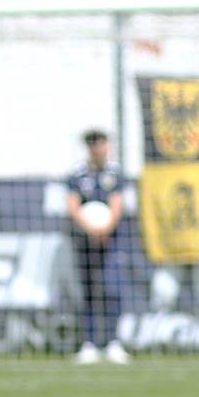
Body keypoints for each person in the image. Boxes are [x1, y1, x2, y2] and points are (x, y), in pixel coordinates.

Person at [66, 130, 132, 363]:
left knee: (112, 290)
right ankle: (90, 343)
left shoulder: (114, 175)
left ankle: (113, 342)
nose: (97, 148)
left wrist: (105, 229)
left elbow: (116, 205)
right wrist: (90, 229)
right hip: (85, 242)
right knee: (89, 292)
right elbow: (73, 206)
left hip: (110, 243)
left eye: (101, 143)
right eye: (93, 144)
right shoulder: (78, 175)